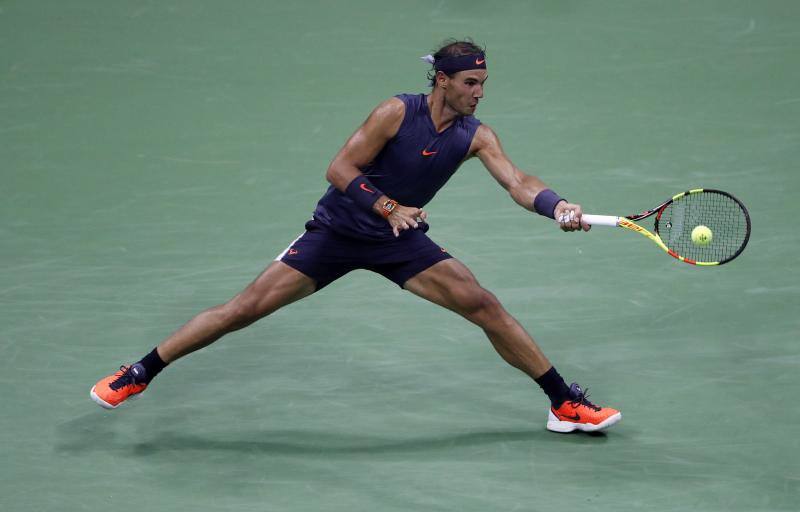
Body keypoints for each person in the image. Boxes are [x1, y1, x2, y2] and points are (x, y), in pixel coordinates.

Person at [90, 39, 621, 433]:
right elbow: (340, 169)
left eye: (483, 83)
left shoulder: (476, 136)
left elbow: (518, 182)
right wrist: (387, 206)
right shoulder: (395, 111)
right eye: (470, 83)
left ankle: (562, 402)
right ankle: (139, 372)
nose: (479, 93)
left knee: (483, 304)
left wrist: (557, 207)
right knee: (242, 310)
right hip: (339, 232)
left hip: (400, 239)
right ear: (442, 80)